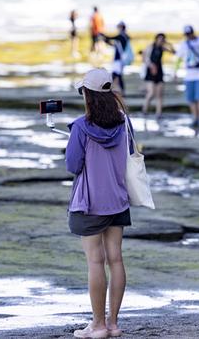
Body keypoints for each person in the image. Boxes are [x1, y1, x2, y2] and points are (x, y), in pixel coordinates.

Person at [66, 68, 133, 339]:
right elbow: (129, 154)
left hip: (90, 203)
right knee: (116, 260)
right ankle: (113, 324)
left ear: (88, 96)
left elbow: (72, 165)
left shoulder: (81, 126)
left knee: (96, 262)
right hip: (118, 200)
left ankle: (98, 325)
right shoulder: (124, 122)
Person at [175, 25, 199, 128]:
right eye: (186, 34)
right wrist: (175, 72)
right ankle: (195, 118)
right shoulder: (183, 44)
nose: (188, 36)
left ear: (193, 32)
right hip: (189, 75)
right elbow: (178, 58)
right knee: (191, 99)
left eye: (189, 34)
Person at [142, 33, 175, 118]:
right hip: (151, 71)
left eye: (162, 39)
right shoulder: (150, 47)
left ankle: (159, 113)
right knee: (151, 92)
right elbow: (144, 58)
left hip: (159, 71)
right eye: (159, 39)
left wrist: (168, 44)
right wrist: (151, 66)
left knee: (159, 94)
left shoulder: (162, 48)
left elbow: (173, 52)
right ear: (156, 39)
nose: (161, 41)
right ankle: (145, 110)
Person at [101, 21, 130, 96]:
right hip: (120, 59)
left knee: (116, 75)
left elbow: (110, 38)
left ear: (121, 27)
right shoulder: (125, 36)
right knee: (116, 75)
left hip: (119, 60)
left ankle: (109, 90)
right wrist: (106, 40)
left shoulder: (121, 36)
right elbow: (114, 44)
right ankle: (112, 90)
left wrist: (101, 34)